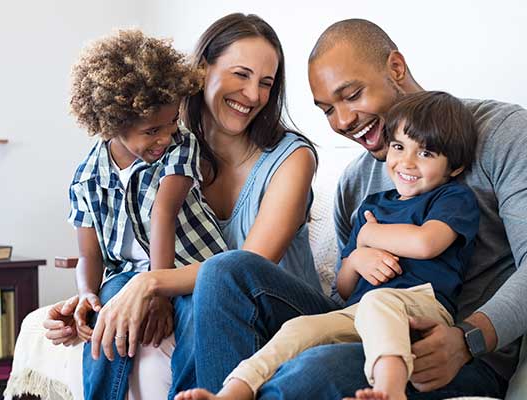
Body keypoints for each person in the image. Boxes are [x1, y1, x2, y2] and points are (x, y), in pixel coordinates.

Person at [187, 18, 527, 399]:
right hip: (363, 326)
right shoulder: (356, 181)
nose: (342, 121)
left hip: (452, 350)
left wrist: (467, 340)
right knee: (226, 271)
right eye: (326, 110)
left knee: (311, 370)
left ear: (396, 67)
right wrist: (357, 258)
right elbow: (346, 294)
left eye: (352, 95)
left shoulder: (502, 131)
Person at [41, 13, 321, 399]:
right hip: (198, 294)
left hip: (279, 309)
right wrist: (94, 298)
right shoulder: (164, 148)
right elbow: (121, 241)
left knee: (214, 285)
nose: (254, 95)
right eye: (241, 74)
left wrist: (150, 284)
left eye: (266, 84)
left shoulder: (290, 158)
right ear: (202, 70)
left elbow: (242, 270)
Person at [176, 90, 480, 400]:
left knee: (379, 303)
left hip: (420, 307)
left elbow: (426, 243)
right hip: (359, 311)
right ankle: (231, 392)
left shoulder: (451, 198)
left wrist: (367, 237)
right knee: (299, 329)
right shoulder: (372, 206)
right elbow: (345, 287)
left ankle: (390, 390)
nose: (407, 162)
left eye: (426, 154)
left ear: (453, 168)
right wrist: (356, 260)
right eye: (399, 147)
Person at [66, 29, 227, 400]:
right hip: (127, 275)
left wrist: (159, 294)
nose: (166, 137)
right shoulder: (87, 178)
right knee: (106, 315)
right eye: (152, 130)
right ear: (111, 125)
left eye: (171, 123)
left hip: (191, 267)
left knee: (197, 315)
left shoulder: (180, 145)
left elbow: (163, 215)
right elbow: (90, 254)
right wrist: (86, 294)